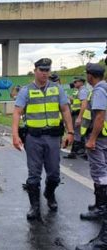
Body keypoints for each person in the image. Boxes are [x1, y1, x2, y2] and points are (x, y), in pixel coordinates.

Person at [12, 58, 74, 220]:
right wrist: (15, 135)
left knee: (54, 174)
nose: (45, 73)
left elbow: (65, 110)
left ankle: (49, 193)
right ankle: (34, 207)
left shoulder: (57, 89)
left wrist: (71, 132)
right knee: (34, 175)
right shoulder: (26, 91)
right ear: (35, 71)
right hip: (33, 138)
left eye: (48, 70)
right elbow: (17, 113)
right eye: (42, 70)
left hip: (53, 137)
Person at [76, 63, 107, 249]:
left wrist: (92, 138)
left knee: (100, 174)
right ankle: (100, 207)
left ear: (90, 75)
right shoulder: (100, 88)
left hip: (100, 138)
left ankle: (102, 207)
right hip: (103, 137)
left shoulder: (99, 90)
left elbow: (100, 116)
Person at [64, 76, 89, 159]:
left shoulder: (83, 91)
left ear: (81, 82)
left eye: (75, 82)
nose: (74, 83)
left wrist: (79, 117)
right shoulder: (78, 91)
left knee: (79, 133)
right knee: (77, 133)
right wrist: (69, 98)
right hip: (75, 114)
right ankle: (76, 152)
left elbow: (84, 104)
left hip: (79, 114)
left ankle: (79, 152)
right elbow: (75, 102)